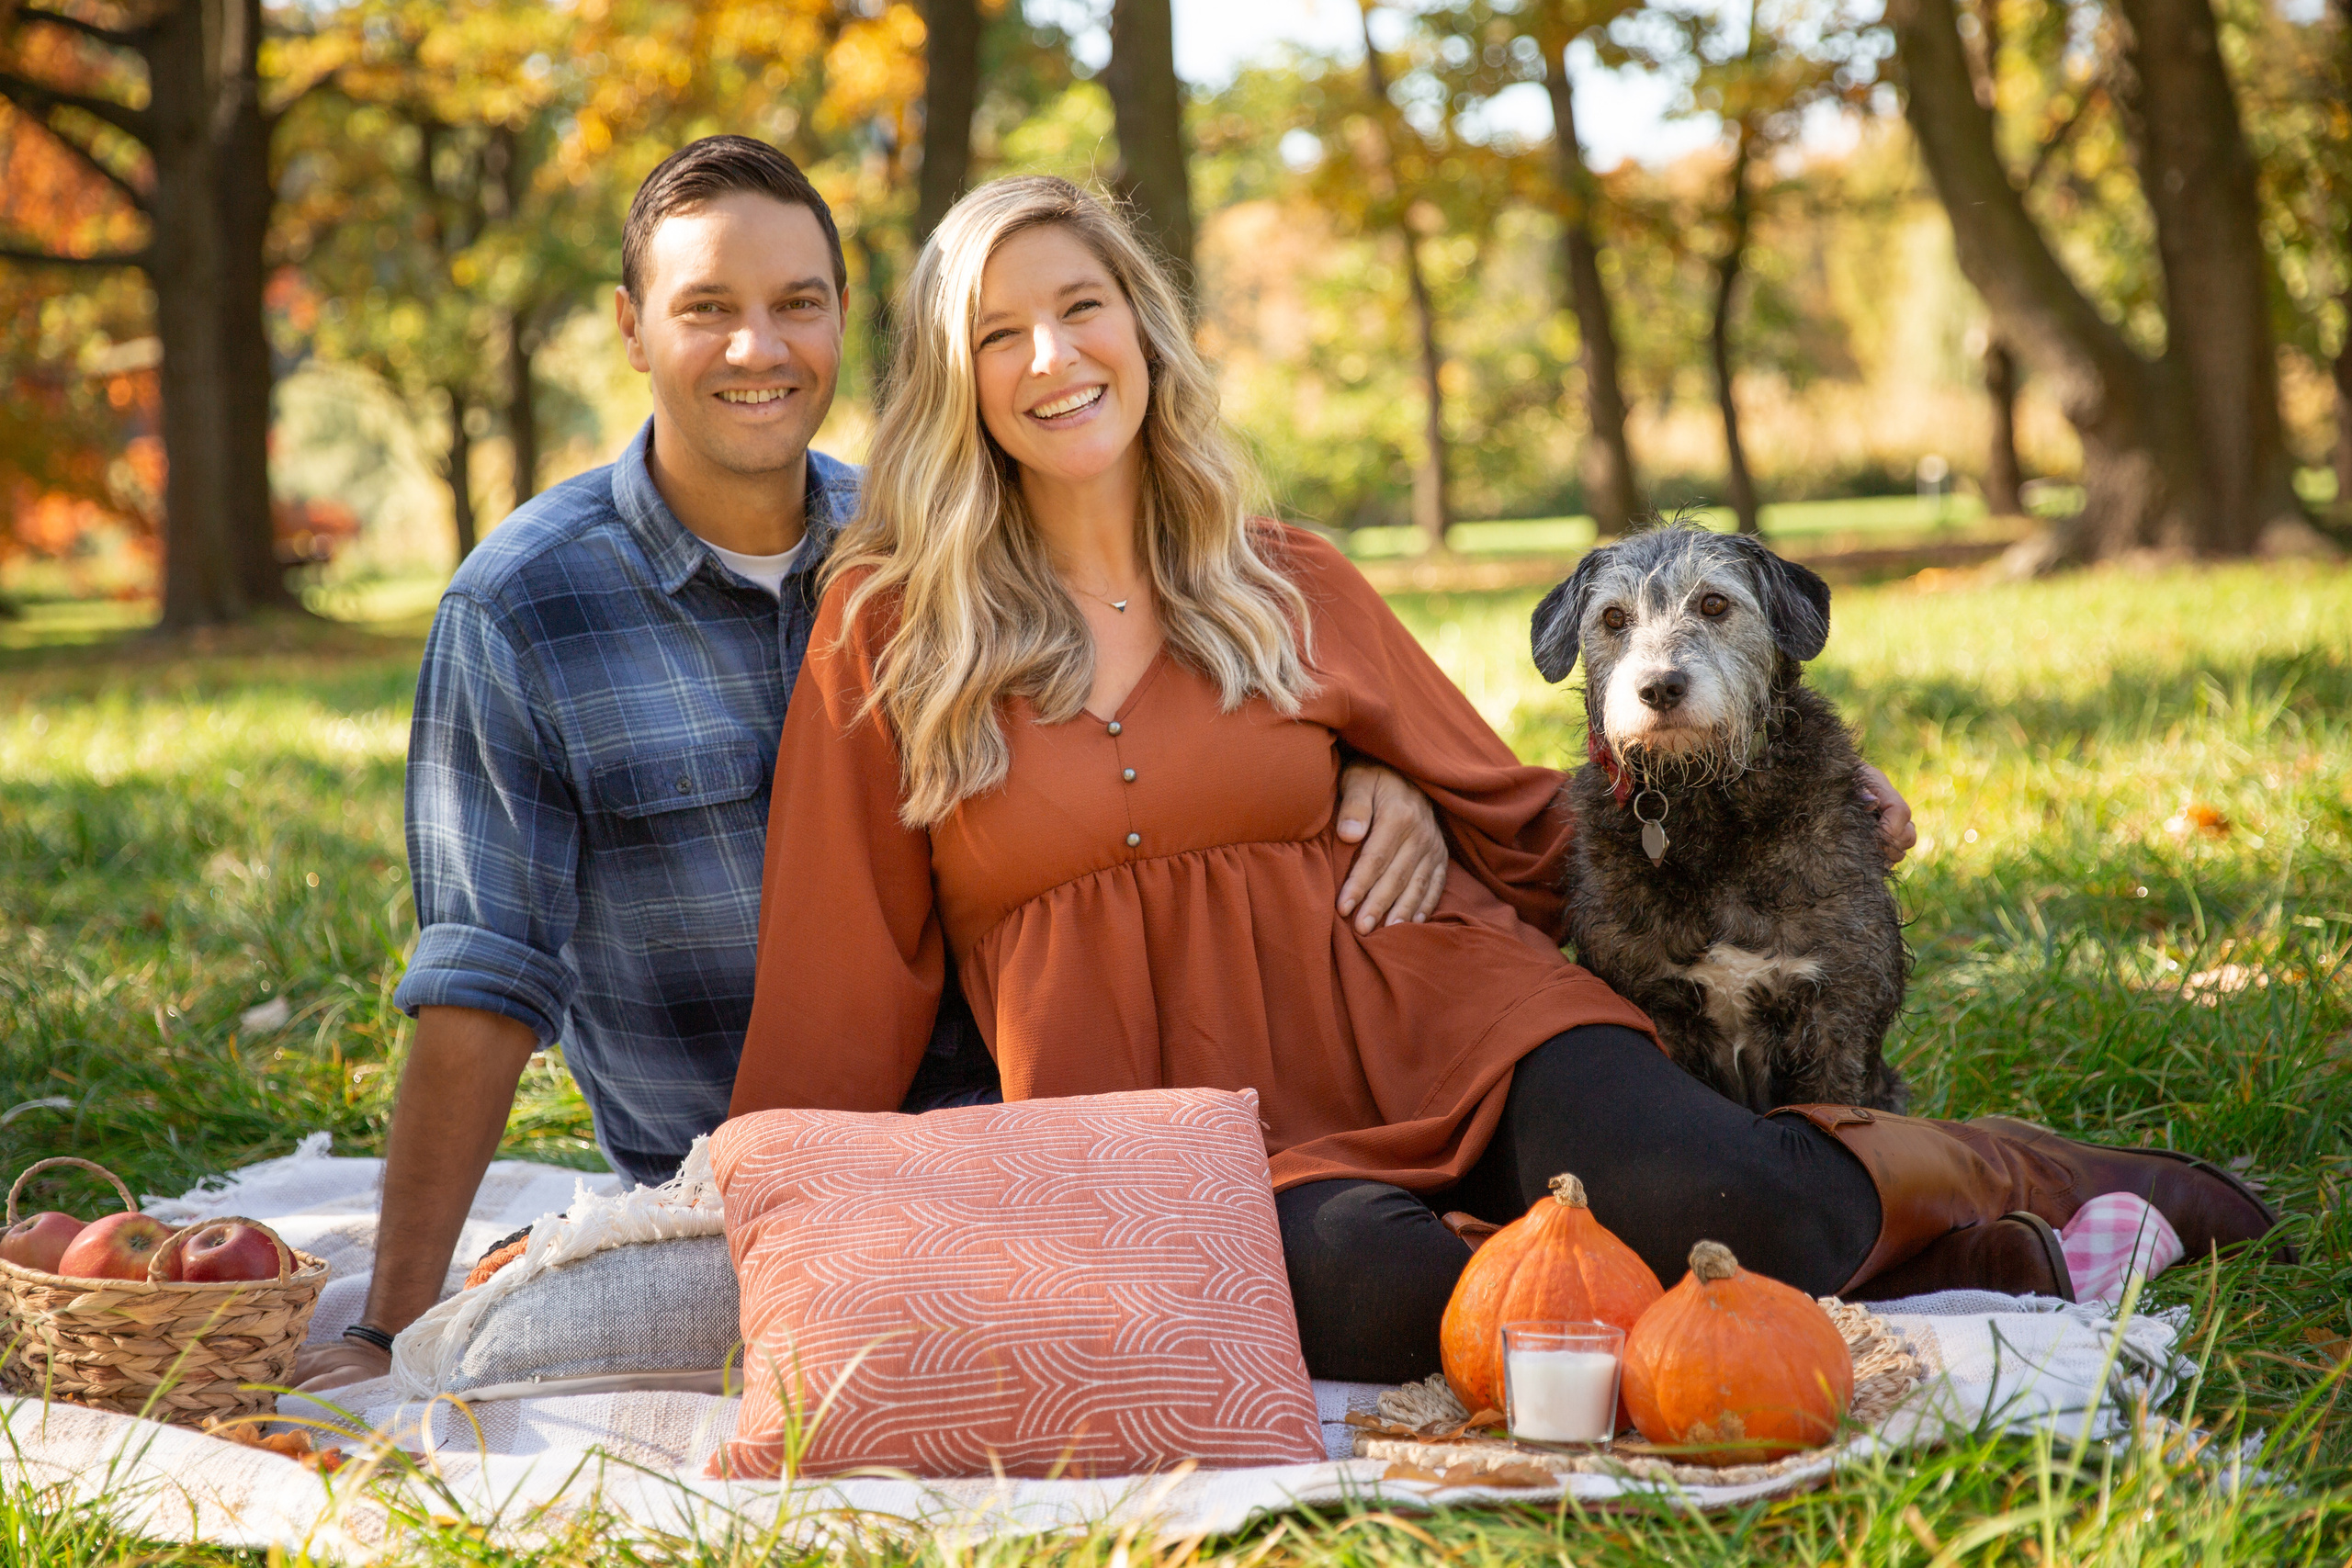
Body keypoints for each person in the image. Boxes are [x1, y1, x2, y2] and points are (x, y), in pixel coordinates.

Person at [728, 175, 2286, 1383]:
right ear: (955, 380)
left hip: (1447, 1009)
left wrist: (1801, 815)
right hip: (1193, 1133)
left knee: (1732, 1202)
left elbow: (1526, 812)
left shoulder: (1286, 582)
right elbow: (840, 951)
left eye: (1082, 308)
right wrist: (773, 1213)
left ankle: (2009, 1191)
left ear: (1143, 327)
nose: (1053, 358)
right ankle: (1816, 1269)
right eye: (1000, 334)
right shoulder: (894, 635)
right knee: (1387, 1306)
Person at [291, 141, 1453, 1393]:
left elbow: (1164, 727)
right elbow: (482, 979)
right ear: (632, 329)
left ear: (846, 315)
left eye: (797, 303)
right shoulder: (525, 609)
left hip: (1042, 1126)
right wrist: (388, 1323)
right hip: (764, 1180)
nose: (759, 349)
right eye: (707, 311)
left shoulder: (947, 542)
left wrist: (1373, 770)